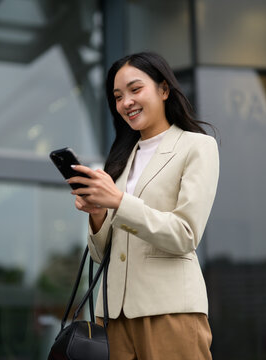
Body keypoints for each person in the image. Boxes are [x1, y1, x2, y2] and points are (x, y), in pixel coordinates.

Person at [67, 52, 219, 360]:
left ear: (164, 90)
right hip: (112, 318)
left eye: (135, 90)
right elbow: (100, 255)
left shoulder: (197, 147)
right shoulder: (120, 162)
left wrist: (119, 201)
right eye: (118, 96)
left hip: (170, 311)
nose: (126, 103)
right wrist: (98, 213)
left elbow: (185, 234)